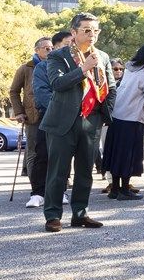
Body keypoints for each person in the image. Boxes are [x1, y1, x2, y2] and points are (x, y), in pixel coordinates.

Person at [40, 14, 112, 231]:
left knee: (84, 171)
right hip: (63, 121)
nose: (92, 35)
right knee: (58, 171)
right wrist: (83, 69)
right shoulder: (58, 56)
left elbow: (111, 87)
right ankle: (53, 215)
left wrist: (104, 115)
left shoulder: (102, 56)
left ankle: (80, 213)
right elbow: (57, 83)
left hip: (91, 120)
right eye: (87, 30)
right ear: (74, 32)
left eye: (96, 31)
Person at [104, 45, 144, 199]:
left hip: (117, 117)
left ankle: (115, 189)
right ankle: (124, 190)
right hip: (132, 119)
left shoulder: (128, 71)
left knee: (116, 154)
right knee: (127, 155)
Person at [9, 36, 53, 208]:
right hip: (33, 116)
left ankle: (53, 188)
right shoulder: (26, 68)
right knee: (34, 153)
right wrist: (19, 111)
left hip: (52, 112)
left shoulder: (55, 65)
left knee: (52, 152)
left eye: (51, 48)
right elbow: (14, 91)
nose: (49, 51)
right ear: (37, 50)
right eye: (46, 48)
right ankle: (36, 190)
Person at [34, 29, 72, 208]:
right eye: (66, 44)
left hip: (71, 117)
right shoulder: (42, 67)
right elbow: (42, 92)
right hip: (48, 115)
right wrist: (61, 108)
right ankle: (38, 192)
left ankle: (61, 190)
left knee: (63, 157)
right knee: (42, 154)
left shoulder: (77, 63)